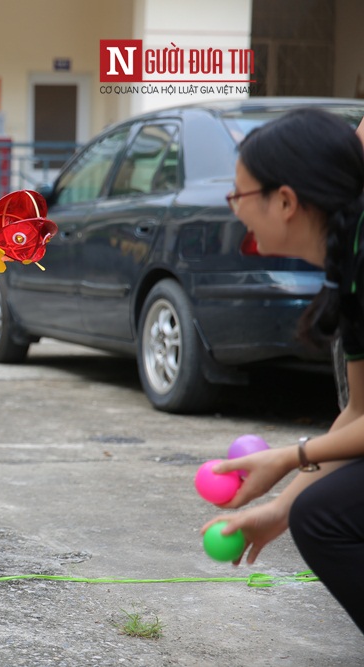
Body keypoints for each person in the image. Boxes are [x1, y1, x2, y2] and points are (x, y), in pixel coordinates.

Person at [207, 107, 364, 634]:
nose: (235, 211)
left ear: (287, 200)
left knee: (325, 515)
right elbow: (359, 414)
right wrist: (280, 509)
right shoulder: (350, 267)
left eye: (240, 195)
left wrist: (287, 458)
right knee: (315, 509)